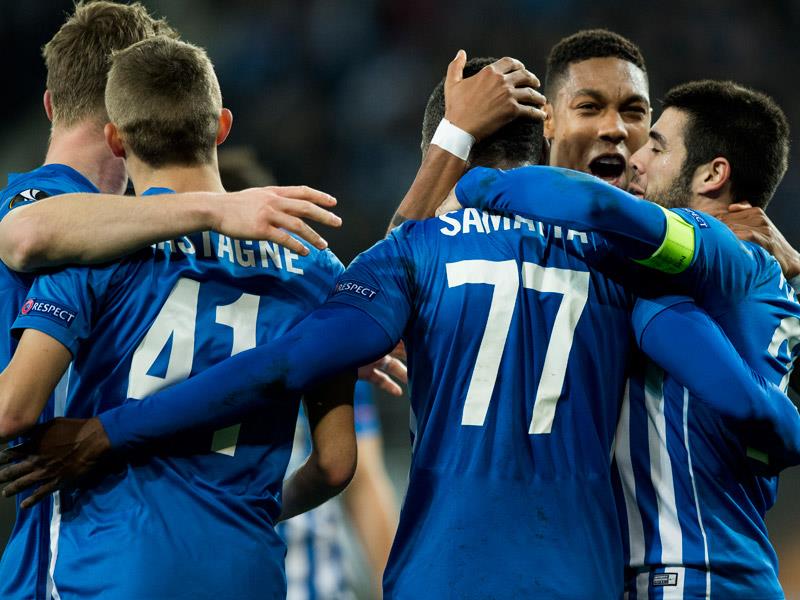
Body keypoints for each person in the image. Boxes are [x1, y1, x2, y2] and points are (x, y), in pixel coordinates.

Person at [0, 4, 345, 599]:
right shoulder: (315, 271)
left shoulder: (91, 250)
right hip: (246, 566)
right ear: (221, 127)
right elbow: (336, 464)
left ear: (116, 134)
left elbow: (12, 409)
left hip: (103, 563)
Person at [447, 78, 800, 598]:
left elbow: (598, 209)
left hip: (694, 576)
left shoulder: (717, 249)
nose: (636, 159)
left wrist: (475, 184)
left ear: (712, 174)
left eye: (656, 146)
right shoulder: (750, 275)